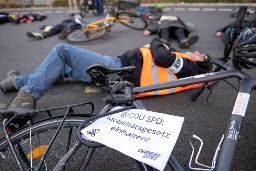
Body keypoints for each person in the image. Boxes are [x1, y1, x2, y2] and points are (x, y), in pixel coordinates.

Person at [0, 38, 212, 116]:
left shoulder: (191, 66)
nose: (196, 52)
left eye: (200, 55)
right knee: (65, 69)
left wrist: (160, 43)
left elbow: (162, 57)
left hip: (117, 68)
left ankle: (26, 97)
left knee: (62, 51)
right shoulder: (188, 66)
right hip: (121, 76)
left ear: (200, 62)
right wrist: (160, 44)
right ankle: (16, 81)